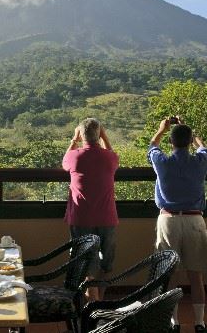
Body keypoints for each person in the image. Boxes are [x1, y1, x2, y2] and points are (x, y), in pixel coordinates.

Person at [148, 117, 207, 333]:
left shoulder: (163, 163)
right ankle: (200, 323)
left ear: (171, 143)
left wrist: (161, 129)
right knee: (196, 276)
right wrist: (193, 135)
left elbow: (152, 147)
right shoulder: (200, 162)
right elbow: (204, 148)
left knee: (170, 275)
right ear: (188, 142)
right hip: (195, 219)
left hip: (169, 220)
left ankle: (173, 322)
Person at [63, 118, 119, 301]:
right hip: (107, 218)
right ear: (99, 134)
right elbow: (113, 156)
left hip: (81, 218)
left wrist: (73, 139)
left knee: (85, 263)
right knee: (105, 264)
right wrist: (105, 137)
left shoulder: (74, 156)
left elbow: (64, 163)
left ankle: (91, 306)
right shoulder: (109, 158)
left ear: (81, 135)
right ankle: (98, 304)